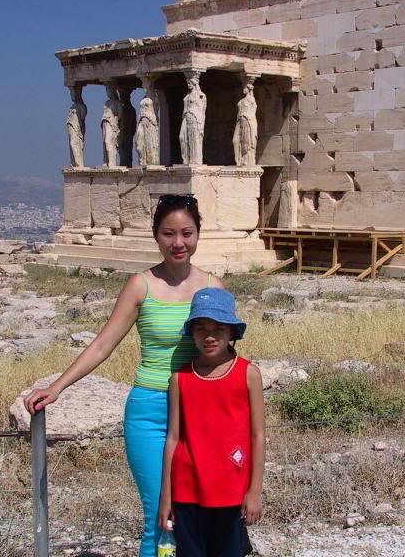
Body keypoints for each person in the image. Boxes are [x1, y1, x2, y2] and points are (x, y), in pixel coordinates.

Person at [23, 194, 225, 557]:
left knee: (199, 514)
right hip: (151, 409)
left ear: (198, 234)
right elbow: (103, 345)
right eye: (168, 233)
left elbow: (226, 352)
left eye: (186, 233)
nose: (178, 243)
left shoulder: (213, 287)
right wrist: (57, 387)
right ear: (155, 236)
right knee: (159, 518)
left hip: (199, 408)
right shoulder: (140, 286)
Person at [158, 288, 266, 557]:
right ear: (191, 333)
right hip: (187, 490)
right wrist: (166, 497)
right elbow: (173, 438)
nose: (209, 336)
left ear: (231, 332)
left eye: (218, 329)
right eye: (200, 329)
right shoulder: (180, 379)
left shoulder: (248, 374)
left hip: (231, 489)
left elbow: (258, 436)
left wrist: (254, 491)